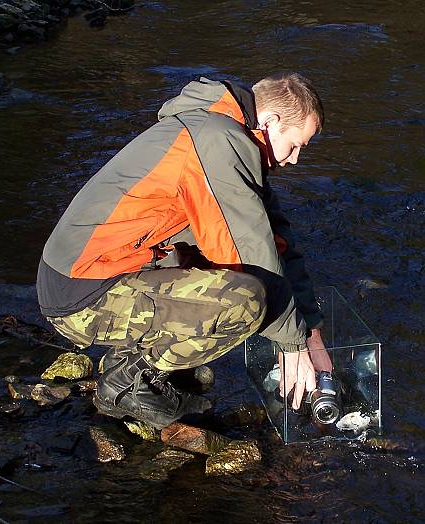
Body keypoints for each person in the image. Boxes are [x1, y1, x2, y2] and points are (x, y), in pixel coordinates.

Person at [36, 72, 332, 429]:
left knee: (220, 270)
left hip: (103, 269)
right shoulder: (218, 142)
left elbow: (276, 241)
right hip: (79, 291)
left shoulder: (227, 135)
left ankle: (133, 359)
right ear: (269, 122)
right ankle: (129, 381)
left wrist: (312, 333)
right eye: (296, 145)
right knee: (246, 301)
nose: (295, 159)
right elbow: (252, 256)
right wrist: (292, 347)